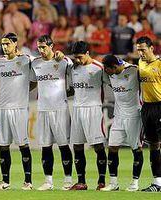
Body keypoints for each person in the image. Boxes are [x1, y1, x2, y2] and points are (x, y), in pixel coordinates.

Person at [0, 33, 35, 190]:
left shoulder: (25, 60)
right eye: (3, 44)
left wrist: (23, 91)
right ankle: (5, 181)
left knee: (23, 145)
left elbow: (35, 81)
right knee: (3, 146)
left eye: (8, 43)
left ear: (16, 44)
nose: (4, 47)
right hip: (2, 109)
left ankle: (28, 182)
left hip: (19, 109)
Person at [31, 35, 73, 191]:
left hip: (60, 109)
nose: (41, 50)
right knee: (46, 147)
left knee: (63, 146)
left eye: (44, 47)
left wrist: (64, 55)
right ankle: (48, 181)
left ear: (51, 46)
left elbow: (74, 67)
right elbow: (32, 82)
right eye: (39, 47)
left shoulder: (62, 62)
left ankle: (68, 180)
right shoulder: (35, 64)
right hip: (42, 109)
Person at [68, 41, 108, 191]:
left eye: (80, 57)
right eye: (75, 57)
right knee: (77, 146)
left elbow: (111, 83)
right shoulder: (74, 69)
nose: (77, 60)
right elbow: (74, 89)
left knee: (98, 146)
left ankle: (102, 181)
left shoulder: (99, 68)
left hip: (94, 110)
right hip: (77, 109)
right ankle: (81, 182)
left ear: (87, 53)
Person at [100, 55, 144, 192]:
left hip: (134, 116)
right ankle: (114, 183)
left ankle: (135, 183)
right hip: (118, 116)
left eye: (107, 69)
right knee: (112, 147)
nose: (105, 72)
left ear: (114, 67)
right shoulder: (110, 74)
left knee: (136, 148)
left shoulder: (134, 70)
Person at [135, 36, 161, 192]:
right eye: (138, 50)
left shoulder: (159, 64)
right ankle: (157, 183)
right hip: (147, 107)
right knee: (153, 145)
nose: (140, 53)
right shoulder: (140, 63)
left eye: (143, 50)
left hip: (160, 105)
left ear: (152, 48)